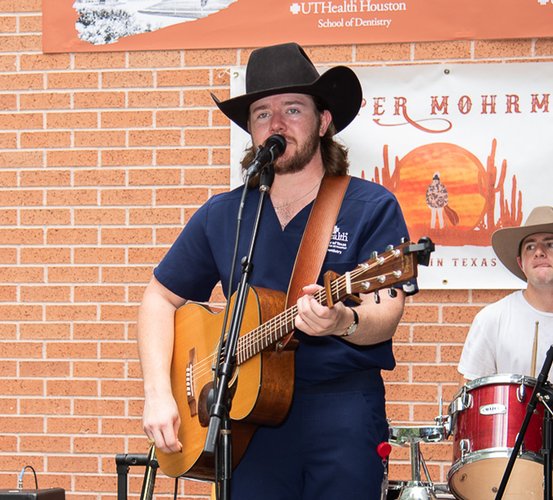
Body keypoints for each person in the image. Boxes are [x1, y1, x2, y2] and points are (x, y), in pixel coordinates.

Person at [137, 42, 416, 500]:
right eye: (262, 113)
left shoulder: (369, 206)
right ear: (251, 131)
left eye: (293, 108)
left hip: (340, 410)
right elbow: (158, 298)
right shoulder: (226, 213)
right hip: (246, 420)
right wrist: (158, 393)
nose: (277, 123)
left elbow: (386, 310)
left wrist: (343, 321)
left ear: (324, 122)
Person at [458, 206, 553, 381]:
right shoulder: (492, 318)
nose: (539, 252)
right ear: (520, 263)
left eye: (550, 244)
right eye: (530, 246)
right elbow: (472, 400)